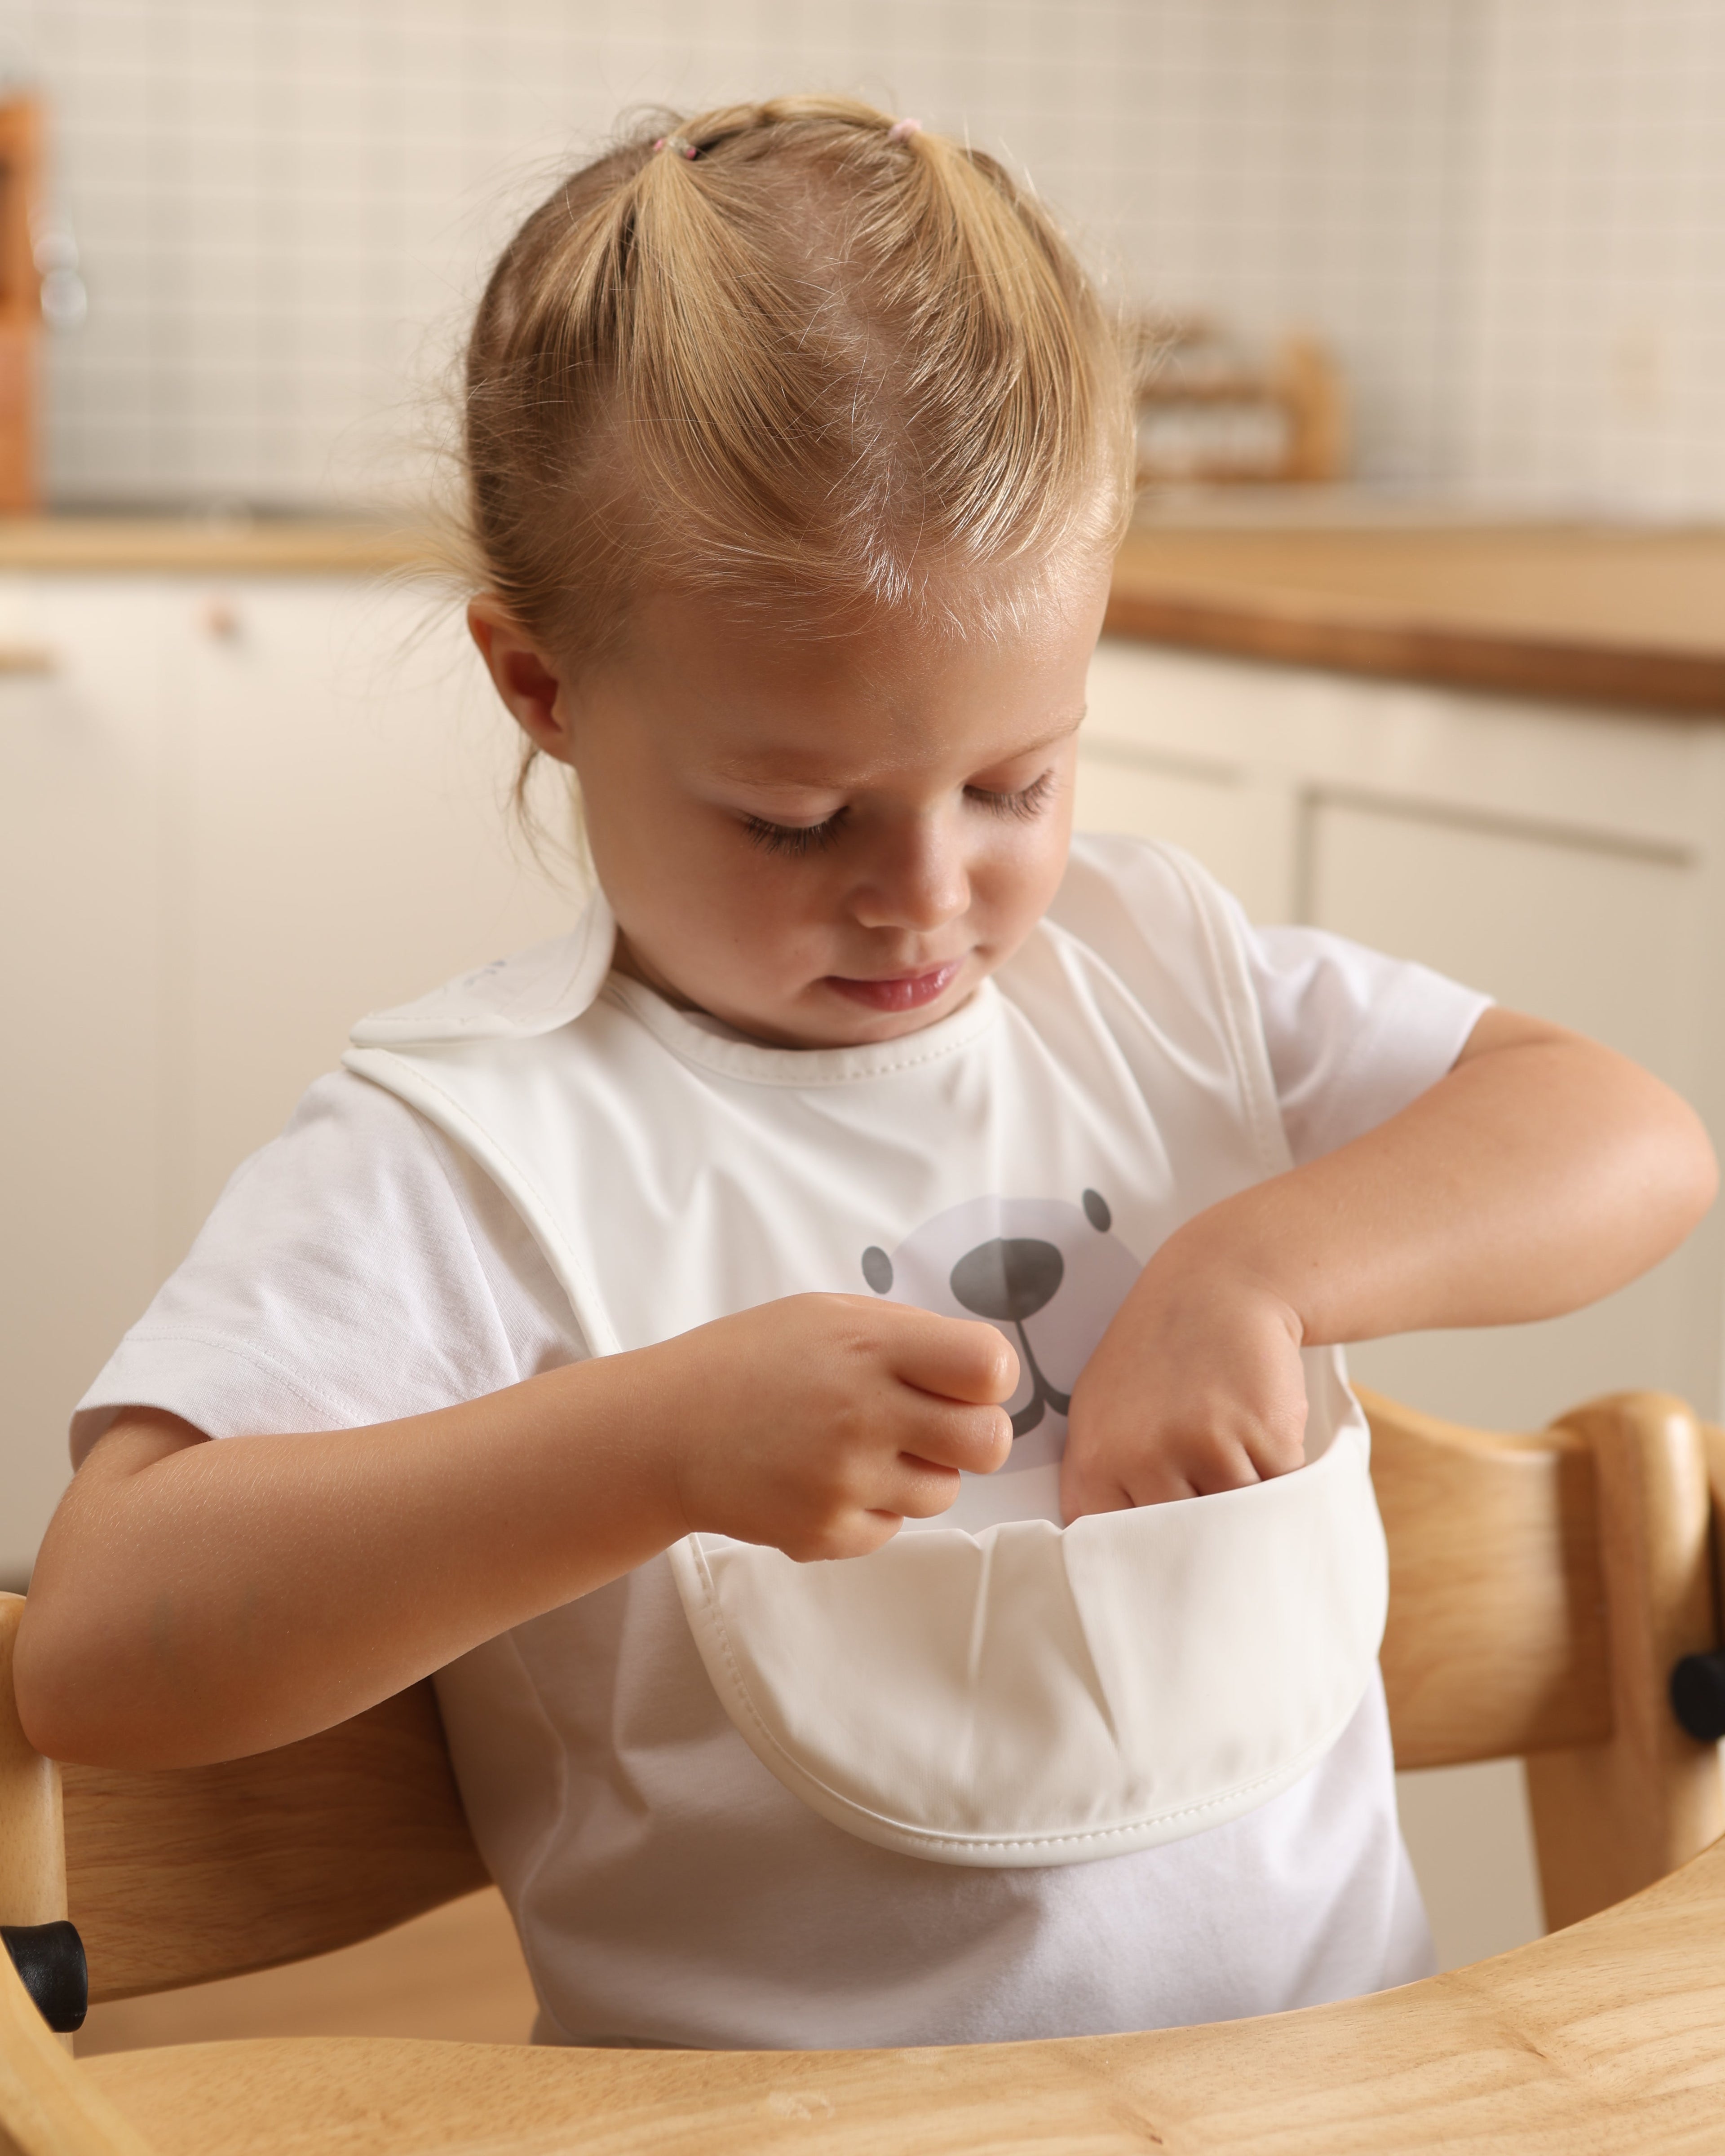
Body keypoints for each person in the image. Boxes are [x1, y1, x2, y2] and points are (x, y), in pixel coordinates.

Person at [15, 97, 1715, 2050]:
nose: (926, 897)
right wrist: (642, 1450)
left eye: (1017, 783)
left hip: (1339, 2105)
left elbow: (1629, 1135)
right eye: (795, 815)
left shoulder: (1159, 978)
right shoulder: (473, 1146)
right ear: (543, 688)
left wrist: (1266, 1267)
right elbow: (105, 1648)